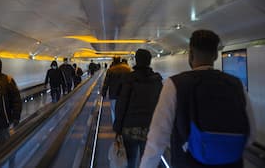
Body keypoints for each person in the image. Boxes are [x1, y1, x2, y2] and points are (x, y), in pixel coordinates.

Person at [140, 30, 256, 168]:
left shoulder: (175, 84)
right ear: (215, 55)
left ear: (190, 54)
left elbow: (157, 137)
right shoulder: (236, 84)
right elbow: (250, 134)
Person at [113, 49, 163, 168]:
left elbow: (121, 105)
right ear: (149, 61)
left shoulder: (128, 79)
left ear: (136, 60)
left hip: (130, 128)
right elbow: (162, 105)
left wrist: (118, 127)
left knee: (130, 161)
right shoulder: (157, 81)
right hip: (150, 128)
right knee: (147, 162)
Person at [102, 56, 131, 123]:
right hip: (125, 94)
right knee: (124, 110)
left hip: (113, 94)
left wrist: (104, 93)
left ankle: (115, 125)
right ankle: (123, 124)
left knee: (114, 110)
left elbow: (106, 82)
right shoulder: (127, 69)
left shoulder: (111, 70)